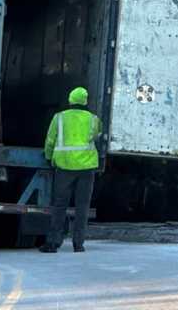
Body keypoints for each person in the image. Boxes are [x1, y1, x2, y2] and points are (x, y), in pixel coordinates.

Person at [39, 87, 102, 253]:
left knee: (60, 205)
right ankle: (78, 244)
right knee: (82, 206)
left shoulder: (59, 118)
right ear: (85, 101)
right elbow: (97, 136)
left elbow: (50, 140)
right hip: (87, 168)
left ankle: (53, 243)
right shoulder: (94, 119)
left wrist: (48, 156)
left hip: (65, 167)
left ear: (70, 100)